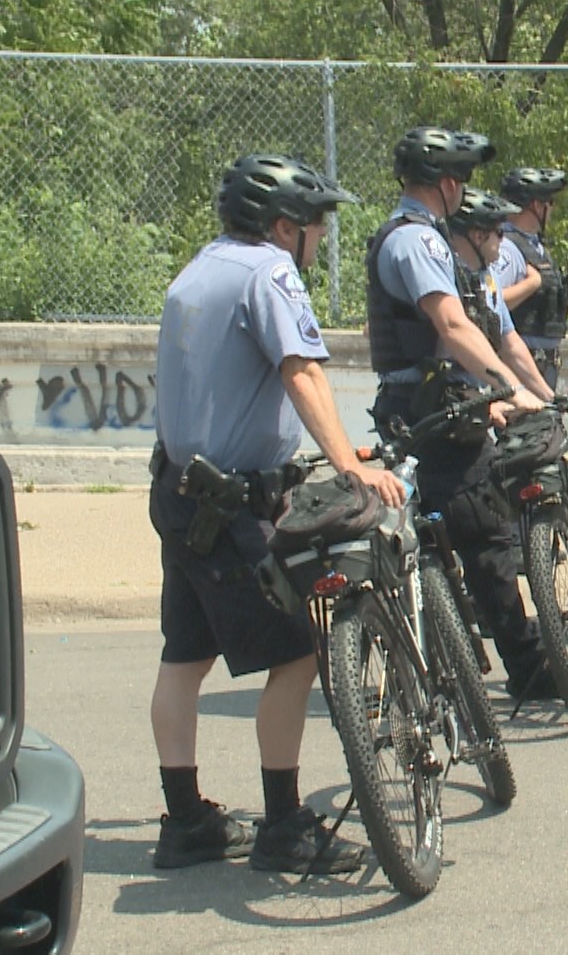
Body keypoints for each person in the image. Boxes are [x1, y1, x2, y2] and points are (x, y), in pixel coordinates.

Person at [150, 155, 405, 874]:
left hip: (177, 494)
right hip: (231, 506)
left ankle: (186, 822)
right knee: (296, 654)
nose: (319, 240)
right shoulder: (269, 271)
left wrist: (330, 446)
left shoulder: (200, 269)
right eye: (316, 226)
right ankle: (285, 828)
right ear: (284, 226)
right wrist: (353, 467)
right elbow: (303, 371)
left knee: (185, 656)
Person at [365, 126, 551, 701]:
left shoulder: (413, 236)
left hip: (423, 401)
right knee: (485, 533)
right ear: (447, 184)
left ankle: (449, 646)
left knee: (444, 534)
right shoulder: (417, 241)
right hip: (436, 409)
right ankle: (527, 665)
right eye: (462, 181)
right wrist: (502, 386)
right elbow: (449, 324)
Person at [446, 188, 556, 404]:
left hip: (473, 396)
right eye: (499, 233)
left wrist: (549, 397)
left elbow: (511, 344)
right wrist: (515, 392)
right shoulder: (446, 277)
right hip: (442, 399)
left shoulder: (489, 279)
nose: (504, 240)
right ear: (478, 236)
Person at [493, 166, 568, 388]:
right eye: (549, 202)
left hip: (543, 361)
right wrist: (532, 284)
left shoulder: (536, 247)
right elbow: (492, 301)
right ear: (535, 205)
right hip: (521, 362)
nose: (551, 209)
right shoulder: (507, 247)